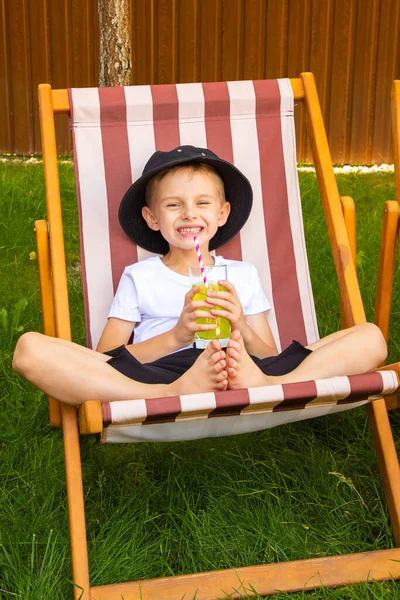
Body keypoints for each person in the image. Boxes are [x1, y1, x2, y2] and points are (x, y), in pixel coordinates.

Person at [13, 146, 387, 406]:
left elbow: (268, 353)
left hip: (248, 369)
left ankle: (274, 388)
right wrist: (177, 334)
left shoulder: (242, 275)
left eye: (202, 203)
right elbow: (107, 359)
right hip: (163, 375)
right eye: (174, 205)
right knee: (29, 348)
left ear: (222, 214)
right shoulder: (139, 277)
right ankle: (171, 396)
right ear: (152, 219)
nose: (189, 214)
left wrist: (238, 322)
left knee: (371, 337)